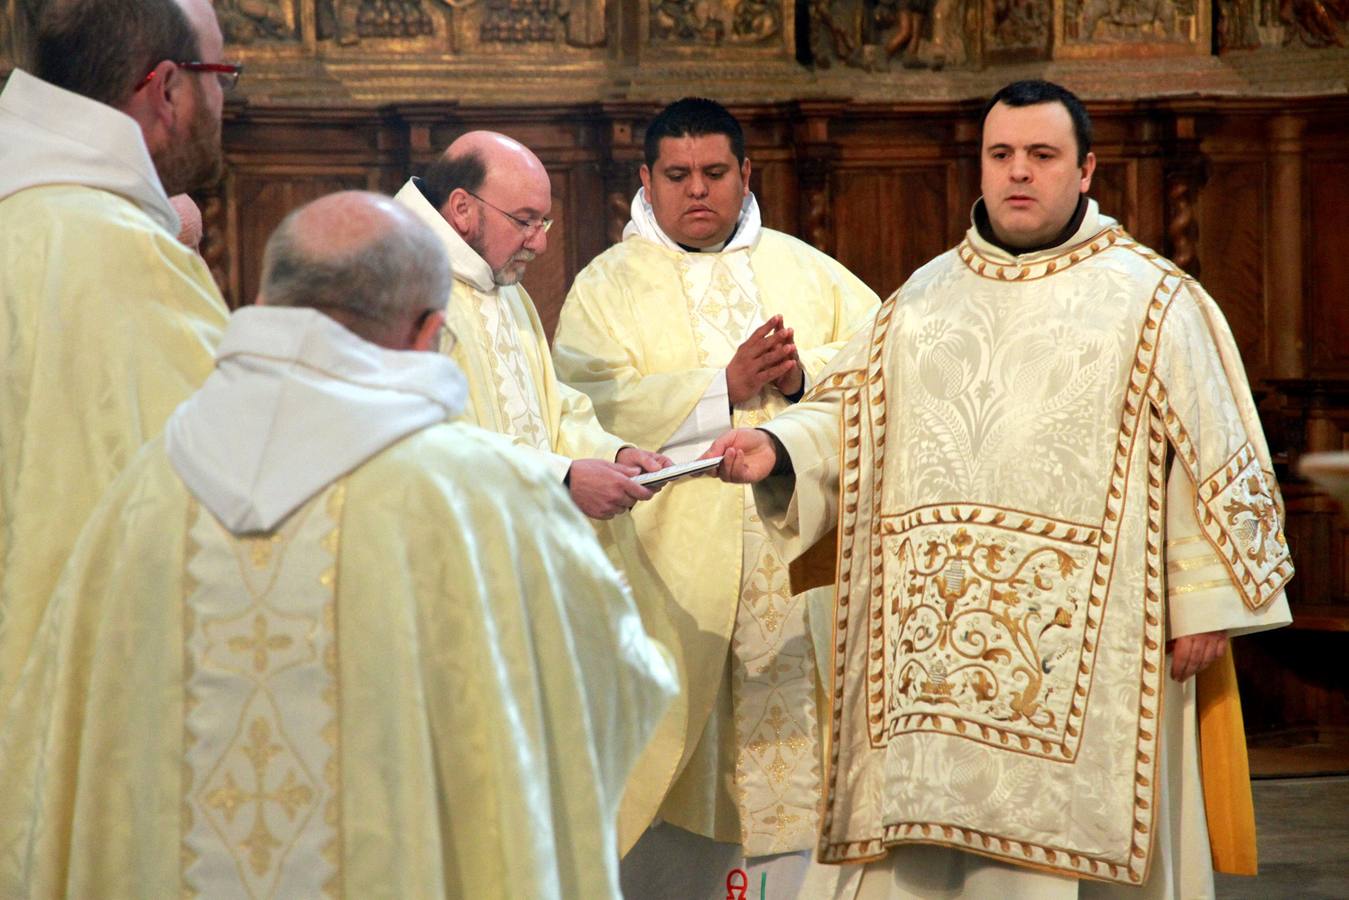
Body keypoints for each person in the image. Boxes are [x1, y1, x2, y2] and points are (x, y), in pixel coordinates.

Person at [707, 79, 1293, 899]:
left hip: (1095, 648)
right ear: (979, 168)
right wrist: (774, 448)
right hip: (929, 659)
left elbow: (1210, 457)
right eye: (1001, 155)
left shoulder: (1153, 300)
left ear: (1085, 170)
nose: (1019, 172)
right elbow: (847, 417)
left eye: (1042, 156)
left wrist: (1200, 604)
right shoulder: (922, 297)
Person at [0, 191, 677, 899]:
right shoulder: (484, 496)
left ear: (264, 300)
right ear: (428, 332)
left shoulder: (142, 494)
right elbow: (618, 690)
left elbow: (55, 746)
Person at [552, 97, 880, 897]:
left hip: (799, 576)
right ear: (645, 180)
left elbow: (884, 362)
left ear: (745, 174)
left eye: (712, 173)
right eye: (675, 175)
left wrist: (801, 376)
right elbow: (582, 407)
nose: (695, 190)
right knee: (678, 794)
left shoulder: (807, 269)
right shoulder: (607, 286)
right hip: (675, 579)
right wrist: (720, 388)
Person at [0, 0, 234, 714]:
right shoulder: (124, 259)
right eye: (221, 73)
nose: (227, 98)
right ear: (165, 89)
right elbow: (222, 510)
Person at [393, 131, 670, 520]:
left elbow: (549, 407)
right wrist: (562, 481)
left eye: (544, 222)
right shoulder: (395, 287)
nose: (539, 244)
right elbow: (423, 440)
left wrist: (611, 455)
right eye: (525, 221)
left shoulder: (502, 284)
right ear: (461, 208)